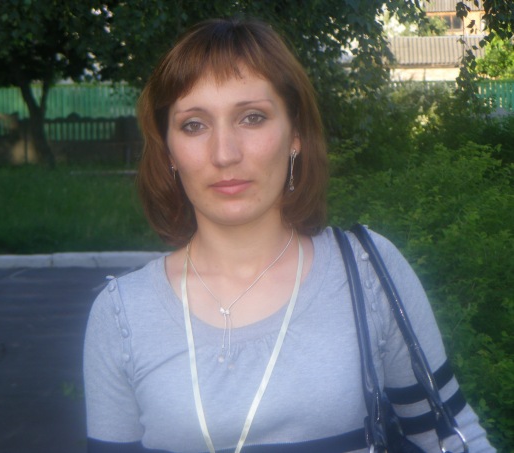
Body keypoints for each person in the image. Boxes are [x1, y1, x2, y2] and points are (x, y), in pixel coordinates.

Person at [84, 18, 494, 453]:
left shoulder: (368, 272)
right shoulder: (121, 314)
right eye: (194, 125)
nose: (224, 154)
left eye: (252, 118)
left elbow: (451, 437)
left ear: (295, 134)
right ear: (168, 149)